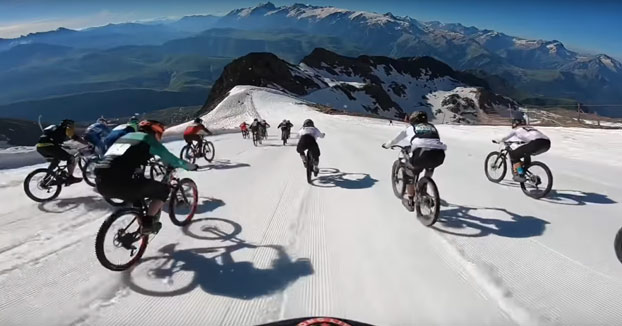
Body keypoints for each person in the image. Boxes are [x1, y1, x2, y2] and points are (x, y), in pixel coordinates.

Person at [94, 120, 198, 234]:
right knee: (163, 191)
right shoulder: (148, 139)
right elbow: (171, 158)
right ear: (155, 131)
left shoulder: (126, 136)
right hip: (120, 182)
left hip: (101, 181)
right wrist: (189, 166)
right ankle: (147, 223)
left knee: (136, 196)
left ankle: (141, 225)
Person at [383, 111, 447, 212]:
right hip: (439, 154)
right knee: (430, 165)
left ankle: (410, 200)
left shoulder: (410, 128)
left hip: (421, 152)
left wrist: (387, 145)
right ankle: (424, 187)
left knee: (410, 173)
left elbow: (394, 141)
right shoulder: (433, 127)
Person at [495, 118, 551, 182]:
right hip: (547, 143)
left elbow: (504, 138)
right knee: (526, 152)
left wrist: (498, 141)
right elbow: (530, 137)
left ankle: (520, 174)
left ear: (515, 124)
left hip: (535, 143)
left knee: (513, 155)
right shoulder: (529, 128)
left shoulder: (517, 130)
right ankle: (526, 166)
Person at [36, 119, 87, 185]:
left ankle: (46, 179)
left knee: (56, 160)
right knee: (70, 158)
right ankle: (70, 177)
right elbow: (75, 137)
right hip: (50, 146)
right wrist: (86, 143)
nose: (73, 127)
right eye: (72, 125)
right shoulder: (66, 128)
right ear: (68, 124)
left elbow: (55, 140)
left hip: (40, 147)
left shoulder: (55, 129)